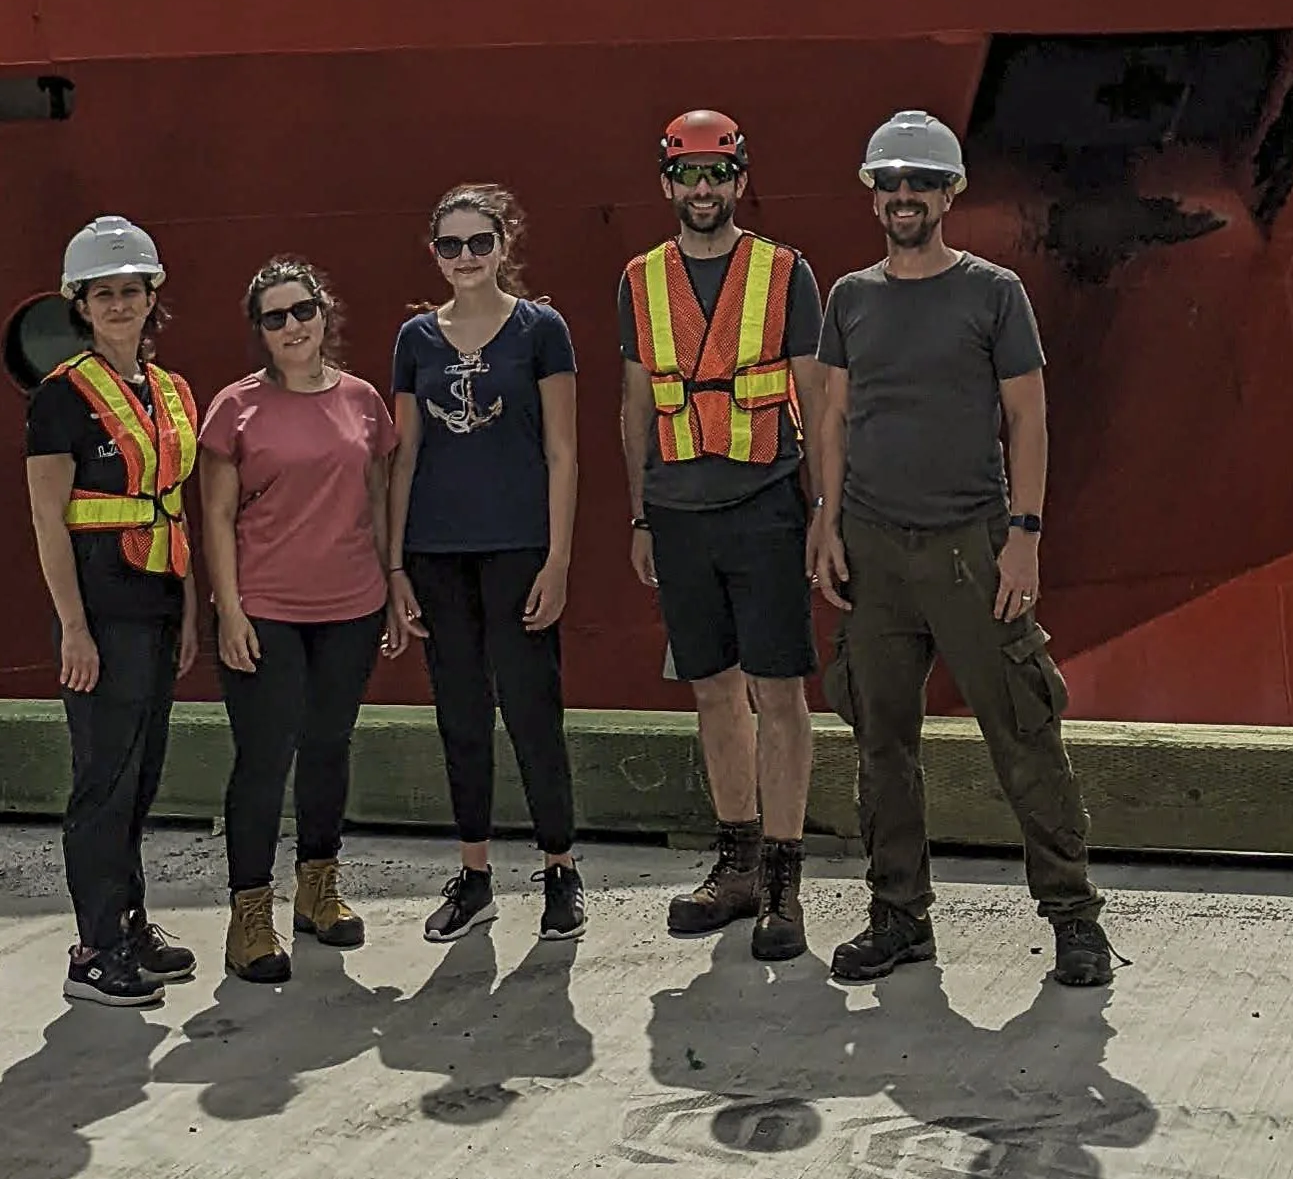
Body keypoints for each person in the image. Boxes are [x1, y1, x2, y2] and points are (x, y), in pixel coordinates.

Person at [809, 111, 1114, 990]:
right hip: (873, 549)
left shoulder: (993, 293)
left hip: (970, 548)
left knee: (1022, 730)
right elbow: (832, 414)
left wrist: (1024, 536)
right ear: (874, 197)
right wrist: (824, 520)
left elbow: (1027, 417)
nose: (903, 196)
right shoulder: (849, 298)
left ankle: (1073, 919)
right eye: (889, 183)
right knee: (880, 742)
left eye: (920, 182)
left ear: (949, 194)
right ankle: (898, 916)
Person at [620, 109, 825, 962]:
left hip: (766, 505)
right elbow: (635, 404)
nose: (702, 189)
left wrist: (825, 513)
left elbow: (818, 398)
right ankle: (735, 864)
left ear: (741, 180)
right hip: (677, 514)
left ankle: (782, 880)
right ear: (665, 183)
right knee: (711, 690)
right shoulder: (641, 279)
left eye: (717, 173)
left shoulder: (785, 273)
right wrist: (639, 514)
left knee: (778, 692)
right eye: (687, 174)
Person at [198, 258, 408, 984]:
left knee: (328, 746)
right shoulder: (235, 408)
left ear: (324, 314)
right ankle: (249, 914)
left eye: (302, 311)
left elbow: (377, 498)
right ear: (259, 331)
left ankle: (318, 887)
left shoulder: (362, 401)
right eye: (275, 317)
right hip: (266, 610)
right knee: (264, 759)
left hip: (352, 606)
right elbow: (216, 517)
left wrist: (391, 583)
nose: (292, 326)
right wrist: (230, 611)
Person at [388, 183, 584, 945]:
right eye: (451, 245)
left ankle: (560, 868)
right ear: (434, 253)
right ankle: (474, 877)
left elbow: (562, 452)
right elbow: (404, 457)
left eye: (479, 242)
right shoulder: (414, 340)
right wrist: (396, 565)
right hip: (438, 553)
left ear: (503, 245)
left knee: (534, 711)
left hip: (518, 549)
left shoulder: (542, 330)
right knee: (460, 715)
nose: (465, 256)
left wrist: (558, 559)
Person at [23, 216, 200, 1008]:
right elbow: (47, 519)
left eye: (132, 290)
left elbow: (176, 505)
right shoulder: (60, 399)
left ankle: (129, 924)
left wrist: (187, 611)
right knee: (103, 781)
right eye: (104, 294)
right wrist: (73, 628)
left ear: (150, 297)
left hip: (157, 602)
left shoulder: (170, 391)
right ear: (82, 306)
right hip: (100, 611)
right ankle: (93, 950)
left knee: (141, 776)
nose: (120, 304)